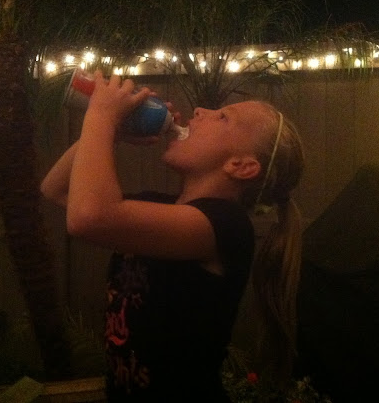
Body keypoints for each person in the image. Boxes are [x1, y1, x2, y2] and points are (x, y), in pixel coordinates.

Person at [40, 70, 304, 401]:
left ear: (241, 165)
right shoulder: (157, 206)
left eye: (223, 117)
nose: (200, 111)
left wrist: (102, 117)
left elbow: (88, 217)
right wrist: (114, 132)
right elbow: (57, 189)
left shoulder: (225, 226)